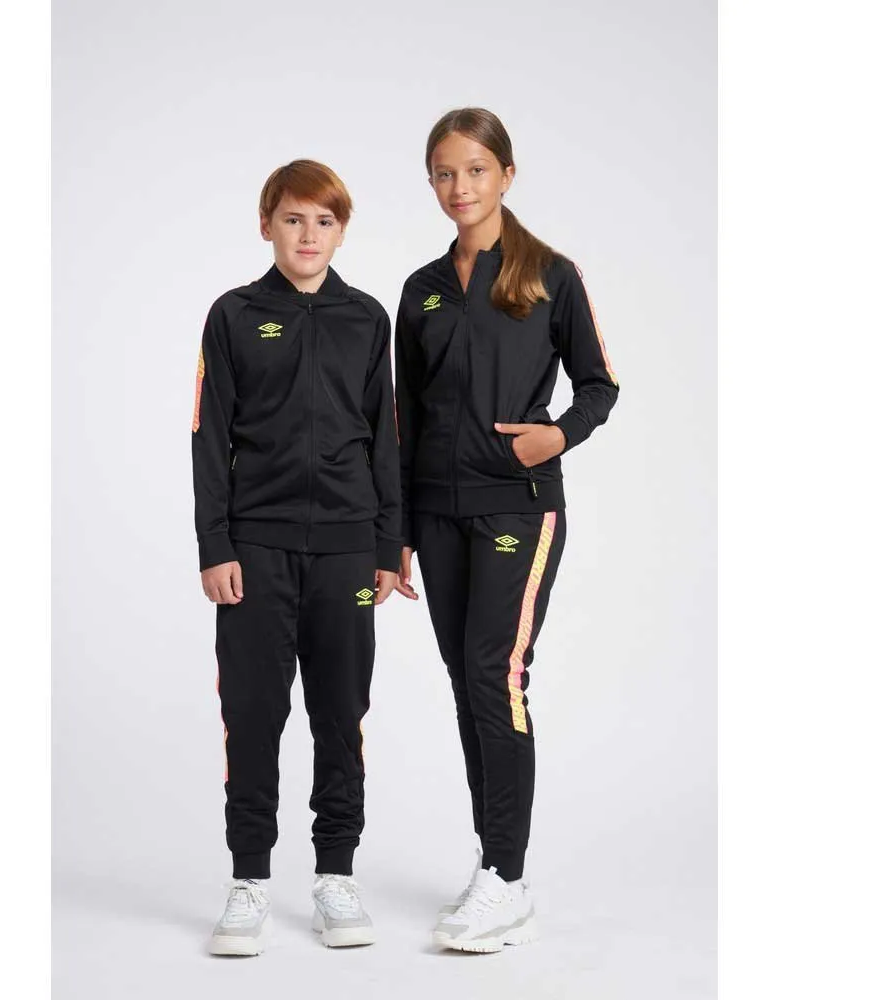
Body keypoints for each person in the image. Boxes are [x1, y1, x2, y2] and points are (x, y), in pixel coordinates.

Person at [393, 108, 619, 953]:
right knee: (467, 681)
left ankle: (509, 879)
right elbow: (404, 415)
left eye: (476, 170)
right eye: (445, 173)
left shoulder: (550, 274)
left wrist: (556, 435)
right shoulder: (420, 288)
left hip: (518, 506)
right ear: (432, 182)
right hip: (436, 511)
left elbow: (599, 384)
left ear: (507, 175)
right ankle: (495, 864)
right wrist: (398, 529)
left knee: (497, 675)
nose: (461, 187)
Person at [192, 160, 401, 956]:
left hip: (348, 549)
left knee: (340, 714)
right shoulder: (235, 315)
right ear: (266, 224)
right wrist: (216, 544)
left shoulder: (366, 318)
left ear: (341, 231)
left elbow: (385, 434)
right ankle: (248, 881)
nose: (308, 235)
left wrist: (387, 545)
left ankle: (335, 875)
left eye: (324, 221)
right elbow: (210, 436)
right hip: (256, 548)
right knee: (252, 713)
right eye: (293, 219)